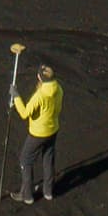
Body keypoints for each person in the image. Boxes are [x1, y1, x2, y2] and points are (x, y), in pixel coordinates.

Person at [12, 58, 62, 205]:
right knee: (48, 159)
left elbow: (24, 113)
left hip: (38, 134)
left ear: (40, 78)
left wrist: (16, 96)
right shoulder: (59, 89)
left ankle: (27, 195)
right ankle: (48, 192)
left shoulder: (39, 96)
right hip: (53, 130)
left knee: (25, 160)